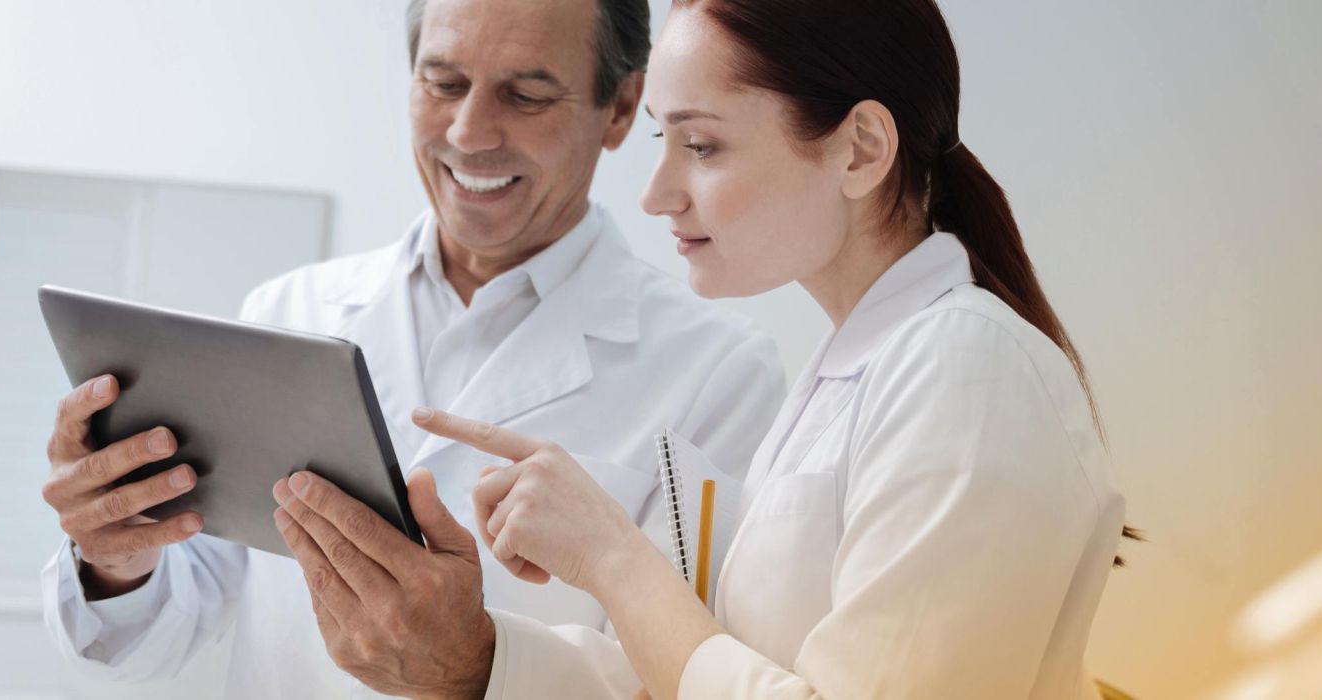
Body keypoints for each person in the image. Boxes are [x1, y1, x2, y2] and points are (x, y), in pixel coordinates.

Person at [276, 0, 1128, 697]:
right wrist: (478, 656)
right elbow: (687, 678)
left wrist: (614, 559)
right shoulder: (848, 378)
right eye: (662, 141)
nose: (655, 194)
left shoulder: (966, 367)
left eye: (703, 145)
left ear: (861, 149)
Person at [35, 0, 786, 696]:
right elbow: (162, 637)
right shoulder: (288, 311)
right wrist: (118, 555)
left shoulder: (720, 374)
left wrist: (474, 670)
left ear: (620, 107)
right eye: (443, 82)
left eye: (525, 95)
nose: (468, 133)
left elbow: (691, 680)